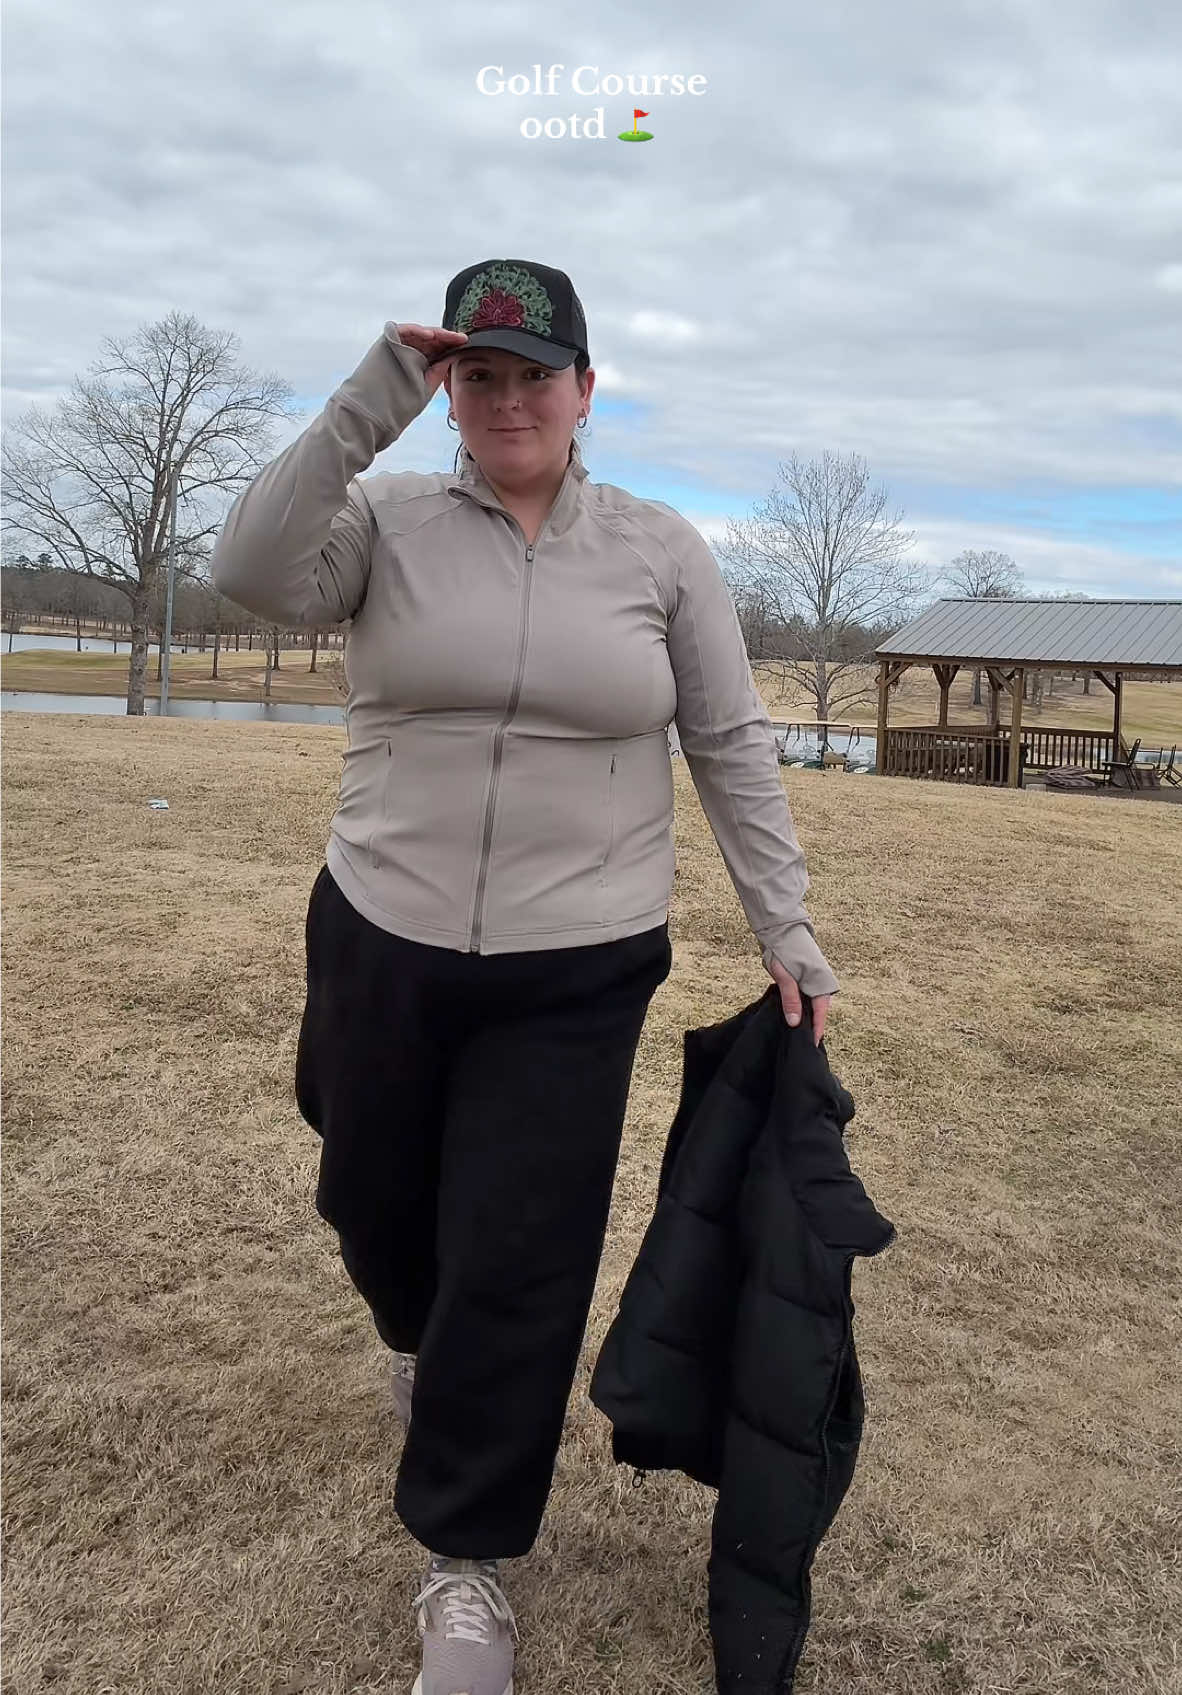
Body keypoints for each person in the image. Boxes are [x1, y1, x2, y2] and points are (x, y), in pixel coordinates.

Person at [210, 258, 838, 1695]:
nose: (506, 401)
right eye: (476, 374)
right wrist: (375, 388)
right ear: (447, 389)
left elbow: (729, 741)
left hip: (579, 957)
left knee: (518, 1246)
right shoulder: (380, 521)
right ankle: (421, 1345)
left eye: (533, 374)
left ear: (585, 390)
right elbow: (247, 575)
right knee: (368, 1196)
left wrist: (781, 924)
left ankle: (467, 1564)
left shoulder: (657, 548)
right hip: (382, 926)